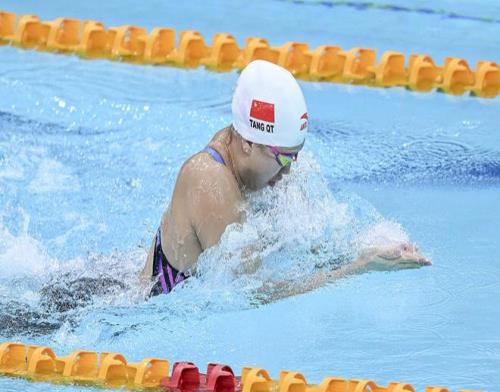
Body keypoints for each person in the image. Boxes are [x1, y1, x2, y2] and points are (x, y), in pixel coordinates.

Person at [142, 60, 431, 297]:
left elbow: (313, 244)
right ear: (247, 143)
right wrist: (360, 266)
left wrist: (370, 247)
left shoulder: (252, 159)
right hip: (143, 313)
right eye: (282, 158)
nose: (289, 171)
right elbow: (253, 294)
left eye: (295, 156)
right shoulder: (208, 180)